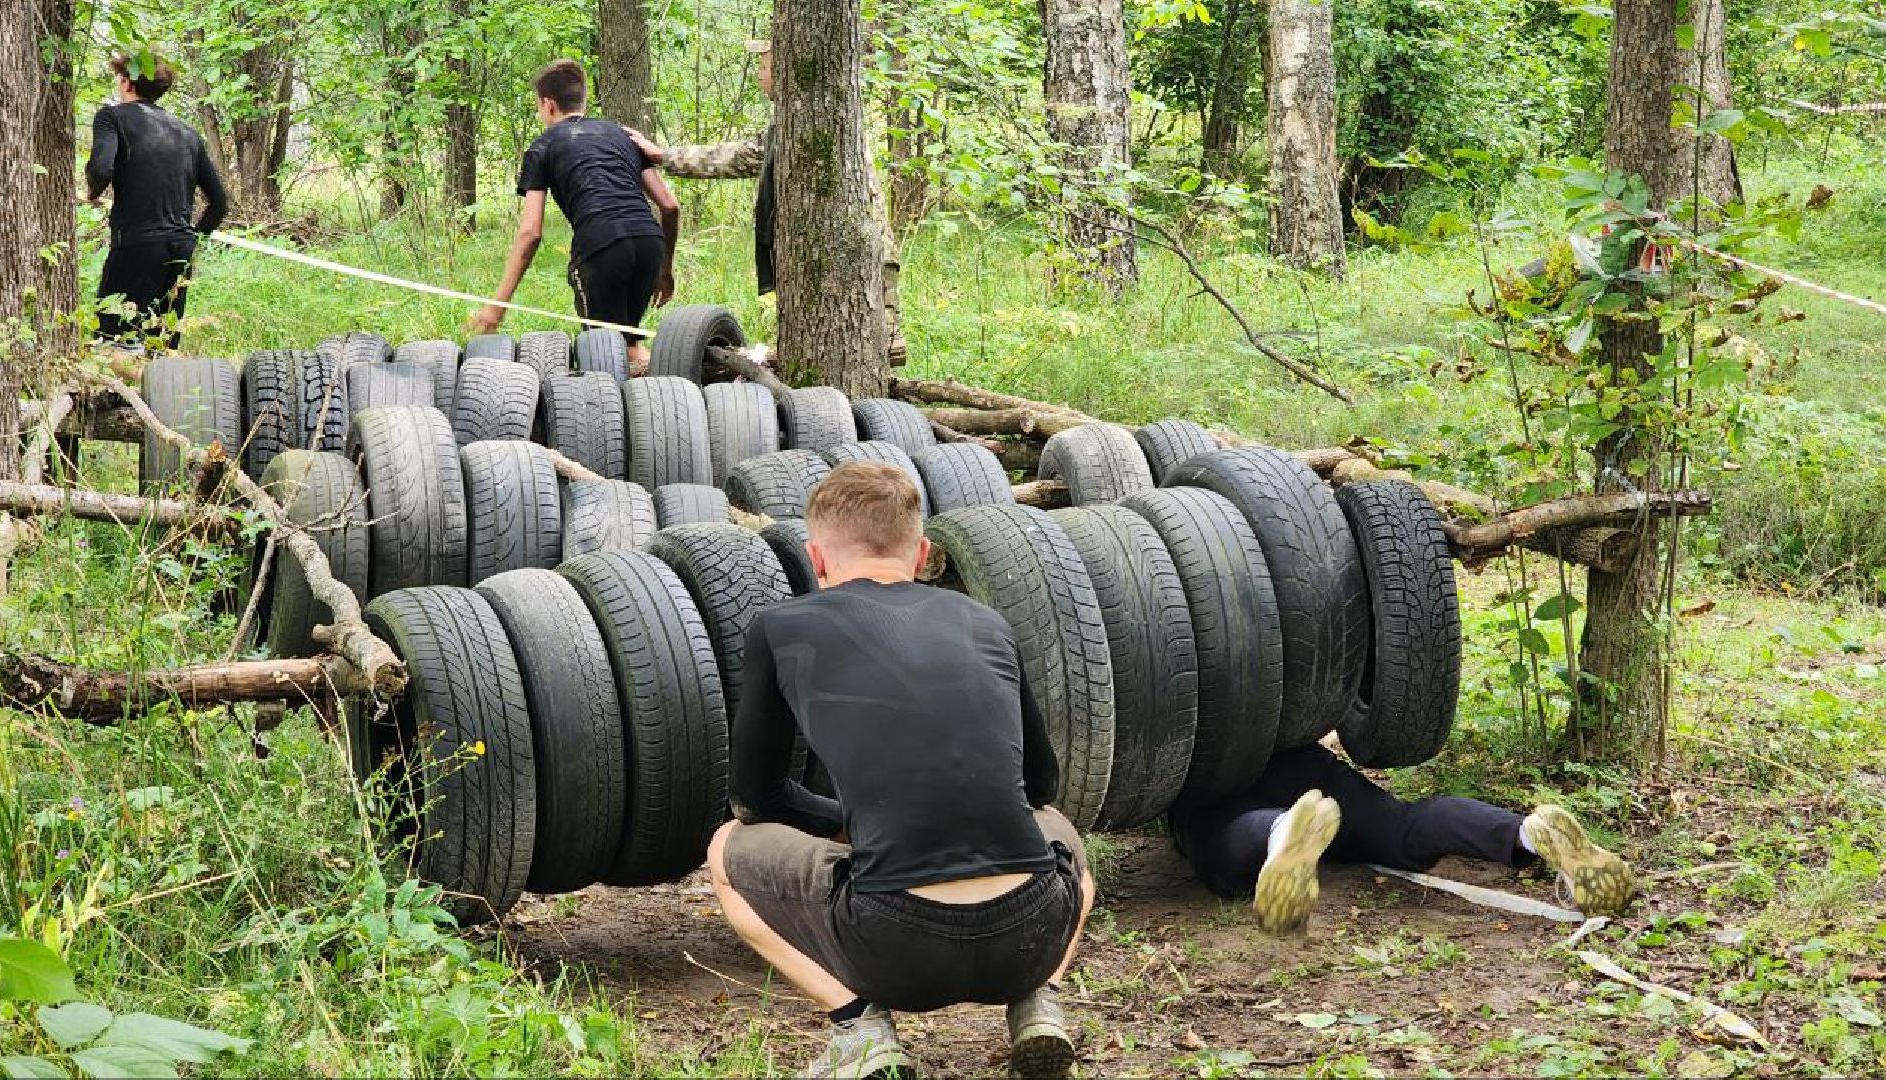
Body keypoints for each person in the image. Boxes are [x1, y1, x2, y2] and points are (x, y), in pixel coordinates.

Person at [710, 462, 1093, 1079]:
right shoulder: (986, 624)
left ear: (817, 559)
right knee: (1060, 830)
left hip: (893, 948)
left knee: (726, 847)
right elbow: (1039, 790)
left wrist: (844, 825)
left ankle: (858, 1028)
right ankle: (1037, 998)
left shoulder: (783, 629)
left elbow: (755, 799)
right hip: (1030, 933)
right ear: (921, 554)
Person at [620, 39, 908, 364]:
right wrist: (665, 156)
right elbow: (738, 156)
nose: (760, 76)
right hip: (823, 263)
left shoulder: (819, 122)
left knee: (875, 352)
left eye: (765, 67)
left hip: (864, 260)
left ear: (785, 72)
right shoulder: (787, 125)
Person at [1168, 743, 1638, 934]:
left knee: (1217, 851)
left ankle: (1280, 829)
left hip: (1200, 769)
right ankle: (1525, 832)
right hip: (1298, 756)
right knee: (1403, 828)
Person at [471, 59, 678, 372]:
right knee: (628, 343)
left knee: (603, 354)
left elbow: (531, 232)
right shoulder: (623, 135)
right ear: (581, 99)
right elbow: (669, 205)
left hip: (601, 249)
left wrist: (497, 305)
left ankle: (635, 405)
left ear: (548, 104)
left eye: (539, 108)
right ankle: (668, 395)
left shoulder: (542, 147)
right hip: (650, 243)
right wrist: (665, 269)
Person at [84, 53, 229, 354]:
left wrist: (93, 192)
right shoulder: (187, 133)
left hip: (136, 246)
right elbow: (219, 203)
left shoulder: (112, 116)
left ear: (126, 82)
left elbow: (101, 168)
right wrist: (193, 239)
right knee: (162, 346)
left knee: (112, 342)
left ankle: (118, 398)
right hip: (180, 250)